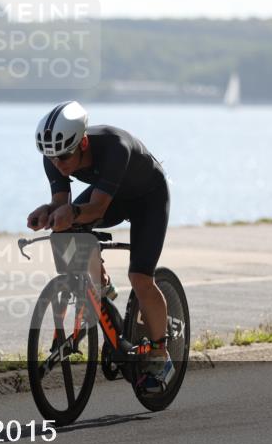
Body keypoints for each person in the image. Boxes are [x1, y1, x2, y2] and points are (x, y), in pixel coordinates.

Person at [26, 101, 173, 393]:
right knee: (66, 229)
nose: (58, 164)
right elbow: (61, 203)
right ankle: (99, 286)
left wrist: (71, 213)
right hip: (112, 195)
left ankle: (161, 356)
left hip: (148, 199)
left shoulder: (114, 148)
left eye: (64, 157)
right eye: (51, 157)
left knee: (140, 278)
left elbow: (96, 208)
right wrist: (48, 211)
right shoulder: (55, 155)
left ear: (82, 143)